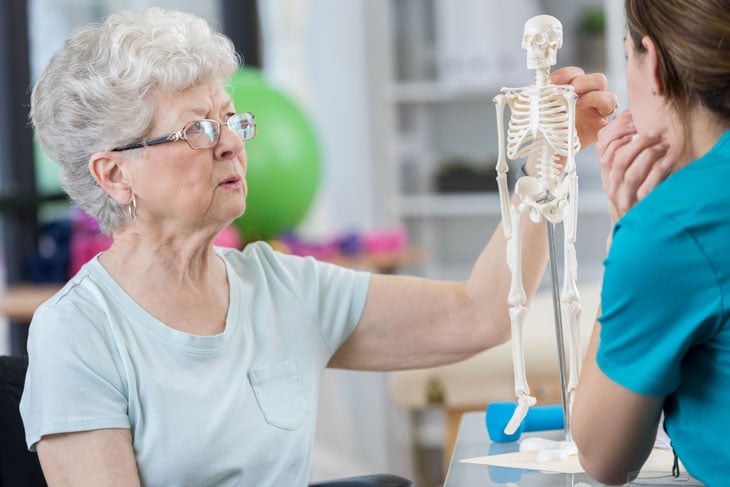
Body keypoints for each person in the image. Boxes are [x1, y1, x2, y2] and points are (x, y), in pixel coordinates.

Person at [19, 7, 617, 486]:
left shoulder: (279, 287)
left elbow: (478, 313)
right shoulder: (76, 332)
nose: (231, 143)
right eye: (199, 128)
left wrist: (549, 163)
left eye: (231, 118)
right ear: (115, 175)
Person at [571, 0, 730, 485]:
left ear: (653, 63)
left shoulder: (668, 229)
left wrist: (628, 231)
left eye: (626, 56)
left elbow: (604, 457)